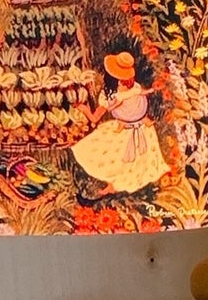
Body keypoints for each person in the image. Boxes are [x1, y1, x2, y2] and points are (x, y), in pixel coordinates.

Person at [71, 51, 170, 198]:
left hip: (129, 131)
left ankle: (116, 186)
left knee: (116, 157)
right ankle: (119, 186)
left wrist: (84, 109)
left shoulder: (111, 95)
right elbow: (141, 98)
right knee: (133, 162)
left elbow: (95, 118)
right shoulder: (135, 87)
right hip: (144, 130)